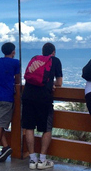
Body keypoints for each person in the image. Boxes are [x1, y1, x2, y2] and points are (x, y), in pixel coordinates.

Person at [21, 42, 63, 170]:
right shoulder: (55, 60)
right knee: (46, 128)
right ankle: (42, 160)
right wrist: (52, 84)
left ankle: (32, 160)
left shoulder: (34, 59)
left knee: (29, 127)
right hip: (44, 98)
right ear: (53, 52)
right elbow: (60, 82)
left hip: (27, 95)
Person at [0, 42, 21, 162]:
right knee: (0, 125)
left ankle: (5, 147)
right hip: (7, 97)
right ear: (13, 52)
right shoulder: (16, 62)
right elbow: (17, 80)